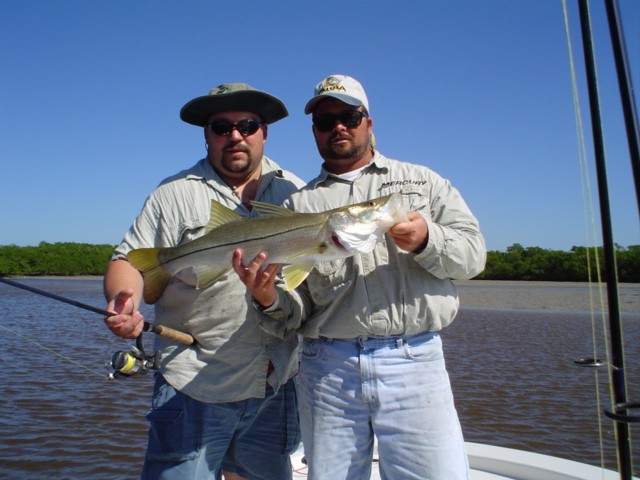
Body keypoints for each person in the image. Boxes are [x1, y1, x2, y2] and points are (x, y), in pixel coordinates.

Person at [234, 75, 486, 479]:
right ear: (314, 131)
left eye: (349, 116)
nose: (338, 126)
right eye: (325, 120)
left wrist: (426, 240)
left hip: (414, 359)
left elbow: (473, 259)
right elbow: (295, 310)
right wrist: (268, 299)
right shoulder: (298, 205)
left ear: (369, 121)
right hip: (327, 367)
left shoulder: (423, 182)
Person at [103, 83, 304, 480]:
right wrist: (124, 300)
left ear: (264, 131)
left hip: (276, 383)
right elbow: (128, 259)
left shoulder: (296, 192)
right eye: (221, 126)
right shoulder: (172, 194)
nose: (235, 135)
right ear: (206, 134)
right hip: (194, 383)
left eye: (247, 124)